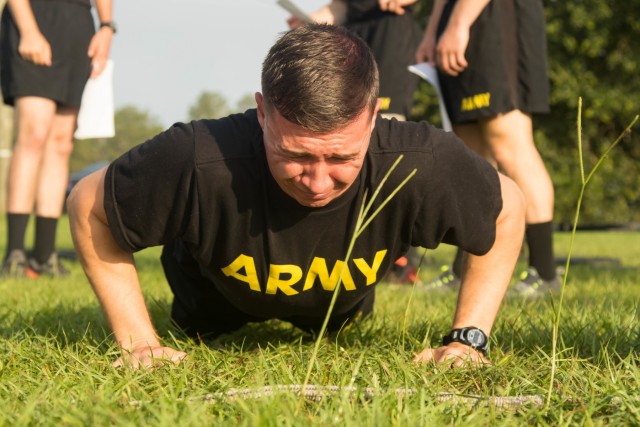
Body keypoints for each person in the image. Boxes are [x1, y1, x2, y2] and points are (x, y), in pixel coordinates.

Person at [67, 24, 525, 369]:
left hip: (338, 316)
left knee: (339, 323)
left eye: (341, 158)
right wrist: (139, 342)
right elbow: (87, 202)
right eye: (296, 154)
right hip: (208, 310)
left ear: (373, 117)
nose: (318, 182)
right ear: (263, 113)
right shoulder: (199, 157)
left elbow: (508, 209)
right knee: (203, 319)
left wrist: (468, 339)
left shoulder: (418, 160)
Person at [416, 0, 558, 296]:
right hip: (459, 21)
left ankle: (544, 273)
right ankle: (463, 269)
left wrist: (458, 25)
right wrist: (433, 32)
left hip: (494, 16)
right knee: (470, 155)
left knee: (510, 143)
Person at [288, 0, 425, 283]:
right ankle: (353, 252)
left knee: (387, 146)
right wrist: (311, 22)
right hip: (352, 40)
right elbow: (343, 7)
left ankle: (402, 259)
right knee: (346, 144)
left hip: (391, 37)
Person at [0, 0, 114, 277]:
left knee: (62, 142)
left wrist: (106, 27)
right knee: (34, 134)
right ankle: (14, 253)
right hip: (35, 15)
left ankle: (44, 255)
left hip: (77, 24)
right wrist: (28, 31)